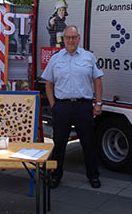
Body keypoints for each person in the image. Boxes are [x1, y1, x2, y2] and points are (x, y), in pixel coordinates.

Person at [41, 25, 103, 188]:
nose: (71, 40)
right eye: (68, 37)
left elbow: (97, 80)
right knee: (59, 143)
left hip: (83, 106)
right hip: (62, 106)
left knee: (88, 143)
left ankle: (93, 176)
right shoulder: (56, 58)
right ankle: (55, 175)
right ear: (64, 39)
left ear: (79, 38)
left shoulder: (88, 57)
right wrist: (54, 105)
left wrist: (98, 103)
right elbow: (48, 83)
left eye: (74, 37)